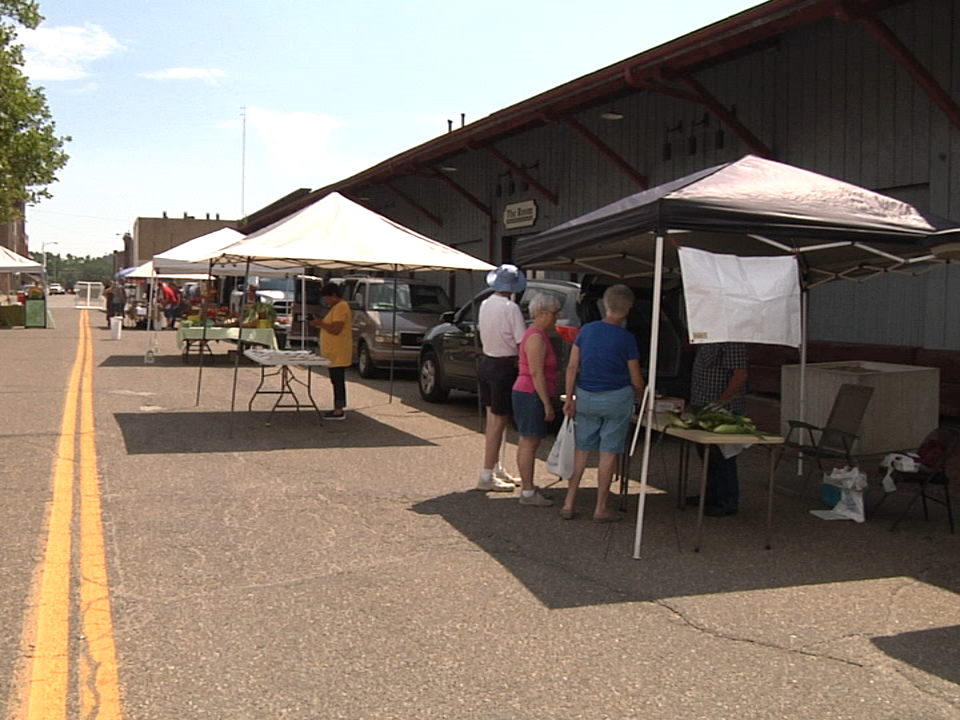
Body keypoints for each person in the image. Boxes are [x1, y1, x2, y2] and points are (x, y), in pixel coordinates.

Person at [561, 284, 645, 523]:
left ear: (604, 304)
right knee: (609, 452)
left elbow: (572, 367)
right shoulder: (627, 339)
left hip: (586, 395)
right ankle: (600, 508)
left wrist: (569, 397)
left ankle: (569, 502)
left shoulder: (587, 330)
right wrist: (640, 395)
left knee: (582, 450)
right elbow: (635, 378)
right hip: (617, 398)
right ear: (628, 309)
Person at [475, 264, 528, 493]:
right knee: (499, 420)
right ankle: (487, 472)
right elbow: (521, 341)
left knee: (494, 419)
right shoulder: (511, 308)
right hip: (504, 365)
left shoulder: (486, 304)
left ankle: (495, 466)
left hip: (487, 361)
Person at [687, 342, 749, 516]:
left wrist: (722, 401)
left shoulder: (732, 342)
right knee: (706, 452)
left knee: (723, 455)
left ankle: (727, 500)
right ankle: (711, 494)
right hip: (702, 405)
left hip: (722, 409)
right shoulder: (707, 340)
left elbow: (740, 374)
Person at [511, 292, 560, 507]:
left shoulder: (537, 335)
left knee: (528, 441)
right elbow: (537, 372)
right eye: (553, 313)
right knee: (529, 441)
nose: (556, 318)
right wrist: (547, 403)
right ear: (541, 313)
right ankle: (528, 491)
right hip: (530, 393)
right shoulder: (536, 337)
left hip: (527, 392)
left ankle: (528, 486)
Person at [310, 282, 352, 420]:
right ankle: (337, 407)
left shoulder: (341, 307)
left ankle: (339, 409)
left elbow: (336, 329)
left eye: (328, 298)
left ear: (334, 295)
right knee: (336, 379)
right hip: (333, 350)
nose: (327, 301)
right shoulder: (336, 307)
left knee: (338, 380)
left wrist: (320, 324)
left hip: (338, 350)